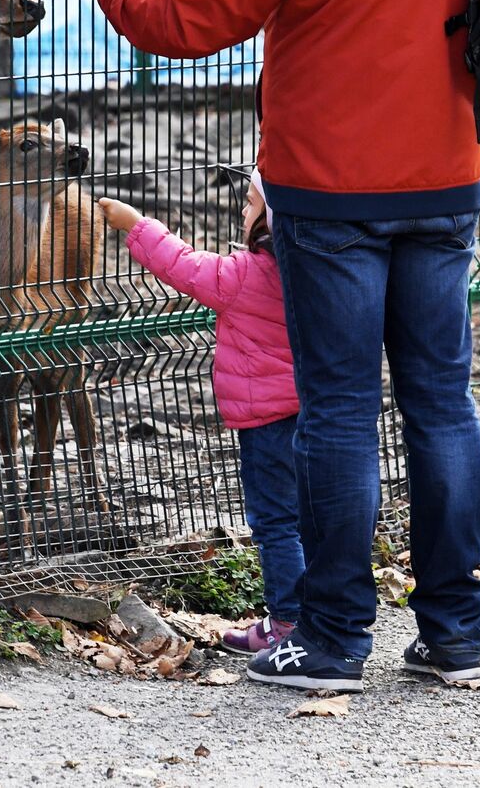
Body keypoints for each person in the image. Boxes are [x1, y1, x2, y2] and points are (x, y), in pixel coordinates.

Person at [71, 0, 480, 692]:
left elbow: (190, 20)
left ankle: (335, 638)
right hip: (447, 182)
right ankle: (455, 630)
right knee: (444, 406)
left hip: (331, 200)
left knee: (342, 413)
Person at [98, 174, 305, 657]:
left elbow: (185, 266)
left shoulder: (246, 274)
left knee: (276, 522)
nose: (242, 211)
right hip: (318, 413)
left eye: (250, 204)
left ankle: (287, 621)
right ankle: (324, 611)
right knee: (315, 518)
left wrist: (136, 225)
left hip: (264, 420)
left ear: (272, 219)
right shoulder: (323, 271)